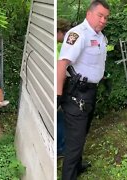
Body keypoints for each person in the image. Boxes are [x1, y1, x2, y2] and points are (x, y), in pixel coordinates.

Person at [57, 1, 110, 179]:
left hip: (90, 92)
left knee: (83, 132)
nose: (103, 20)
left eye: (106, 17)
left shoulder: (100, 36)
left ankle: (77, 167)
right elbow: (62, 64)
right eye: (100, 15)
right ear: (89, 14)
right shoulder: (78, 34)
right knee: (74, 142)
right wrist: (57, 96)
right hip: (75, 94)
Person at [57, 18, 71, 158]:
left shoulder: (55, 46)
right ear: (58, 31)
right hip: (57, 89)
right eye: (65, 33)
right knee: (60, 115)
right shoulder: (54, 47)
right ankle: (61, 149)